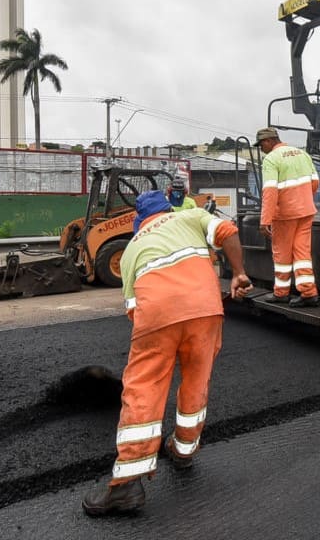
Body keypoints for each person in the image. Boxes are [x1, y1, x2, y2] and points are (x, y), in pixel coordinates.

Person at [82, 190, 253, 517]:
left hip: (158, 315)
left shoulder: (132, 248)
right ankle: (184, 451)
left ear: (139, 221)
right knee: (195, 380)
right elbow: (228, 232)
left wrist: (156, 338)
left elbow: (133, 308)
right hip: (205, 309)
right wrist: (240, 273)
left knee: (144, 386)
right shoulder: (190, 217)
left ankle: (128, 483)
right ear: (167, 208)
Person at [255, 127, 320, 307]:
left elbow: (270, 192)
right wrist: (303, 198)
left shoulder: (271, 159)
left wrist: (265, 221)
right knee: (302, 252)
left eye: (261, 145)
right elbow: (315, 182)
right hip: (306, 211)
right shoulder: (302, 154)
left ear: (268, 141)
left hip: (285, 215)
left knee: (282, 254)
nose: (261, 149)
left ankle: (281, 293)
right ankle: (308, 292)